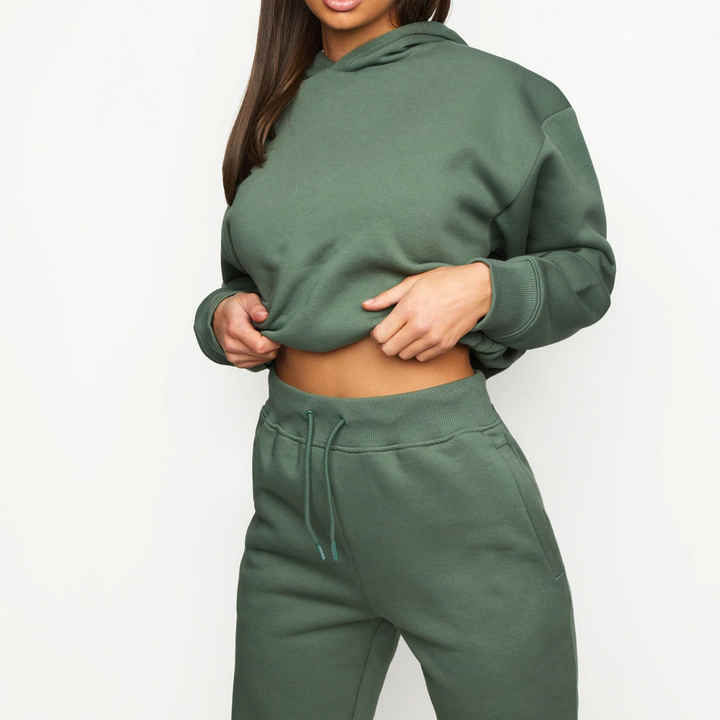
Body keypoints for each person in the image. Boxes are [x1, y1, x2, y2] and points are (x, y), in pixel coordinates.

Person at [193, 1, 616, 718]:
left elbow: (587, 271)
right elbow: (253, 277)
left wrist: (484, 288)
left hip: (445, 485)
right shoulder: (277, 108)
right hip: (295, 493)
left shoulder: (504, 97)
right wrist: (222, 316)